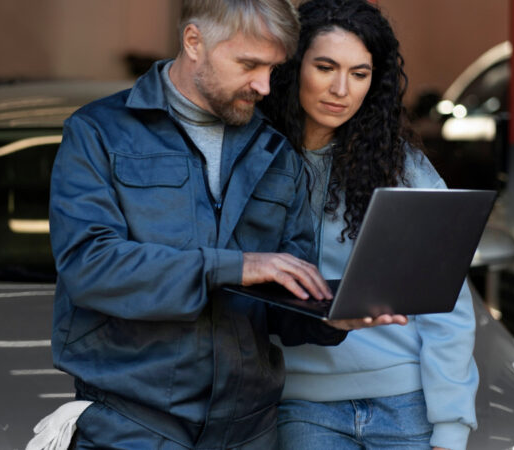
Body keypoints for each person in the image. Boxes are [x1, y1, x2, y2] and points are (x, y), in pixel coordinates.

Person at [44, 1, 404, 448]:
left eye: (273, 68)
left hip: (248, 430)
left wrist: (330, 318)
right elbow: (90, 267)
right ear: (194, 41)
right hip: (131, 425)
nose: (265, 86)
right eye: (250, 64)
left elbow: (281, 308)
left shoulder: (276, 153)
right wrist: (234, 266)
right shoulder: (98, 133)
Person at [259, 1, 479, 449]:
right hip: (302, 406)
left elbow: (447, 304)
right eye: (325, 67)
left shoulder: (404, 169)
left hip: (405, 404)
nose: (341, 88)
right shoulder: (252, 162)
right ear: (292, 65)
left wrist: (451, 425)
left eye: (359, 74)